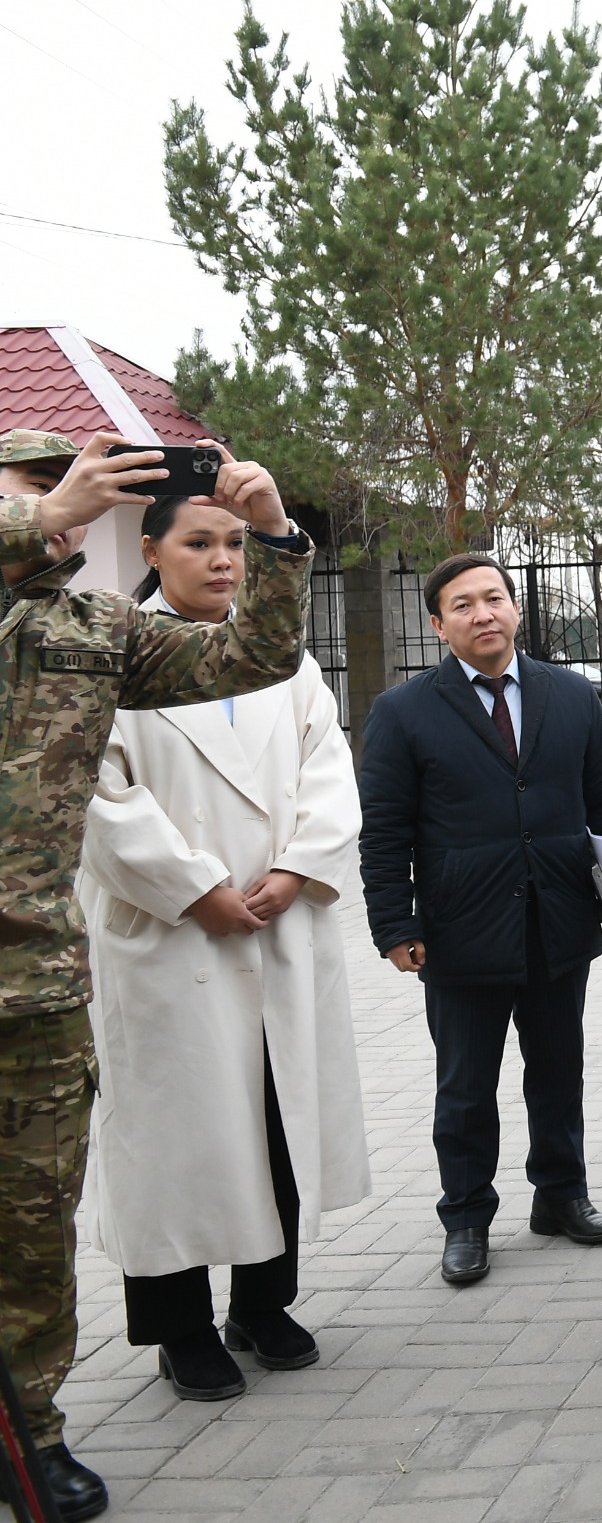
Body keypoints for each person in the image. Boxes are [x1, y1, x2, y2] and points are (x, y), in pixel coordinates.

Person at [0, 428, 312, 1523]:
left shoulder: (92, 624)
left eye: (77, 484)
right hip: (107, 948)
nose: (68, 500)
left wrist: (272, 536)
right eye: (38, 482)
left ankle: (31, 1433)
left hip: (32, 982)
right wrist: (36, 517)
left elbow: (248, 660)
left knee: (31, 1228)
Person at [78, 496, 370, 1405]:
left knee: (271, 1124)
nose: (223, 560)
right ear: (151, 550)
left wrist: (294, 869)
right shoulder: (110, 655)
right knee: (179, 1143)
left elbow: (329, 768)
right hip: (170, 938)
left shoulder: (282, 659)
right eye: (197, 543)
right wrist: (195, 889)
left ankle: (262, 1303)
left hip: (278, 922)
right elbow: (96, 794)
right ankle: (178, 1328)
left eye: (236, 543)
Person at [358, 552, 602, 1289]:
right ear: (438, 625)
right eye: (463, 605)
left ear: (516, 608)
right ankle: (465, 1219)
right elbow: (384, 829)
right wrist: (395, 923)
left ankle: (561, 1196)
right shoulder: (403, 712)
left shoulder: (571, 695)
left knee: (559, 1070)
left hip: (558, 917)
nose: (483, 614)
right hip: (460, 930)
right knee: (465, 1085)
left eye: (494, 598)